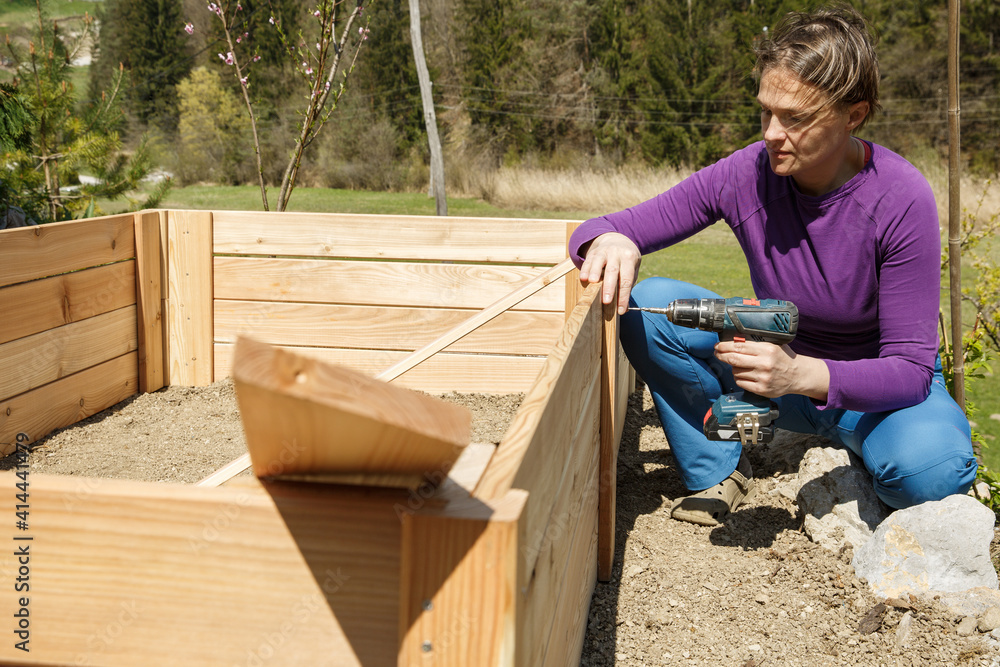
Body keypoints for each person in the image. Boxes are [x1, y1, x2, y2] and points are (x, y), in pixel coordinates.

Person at [568, 5, 977, 526]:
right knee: (647, 306)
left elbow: (910, 371)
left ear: (854, 115)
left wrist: (800, 374)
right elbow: (593, 231)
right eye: (765, 111)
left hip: (876, 394)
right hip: (774, 381)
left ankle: (845, 440)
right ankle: (720, 466)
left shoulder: (901, 198)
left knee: (933, 475)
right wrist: (614, 239)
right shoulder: (748, 173)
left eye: (796, 118)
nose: (770, 133)